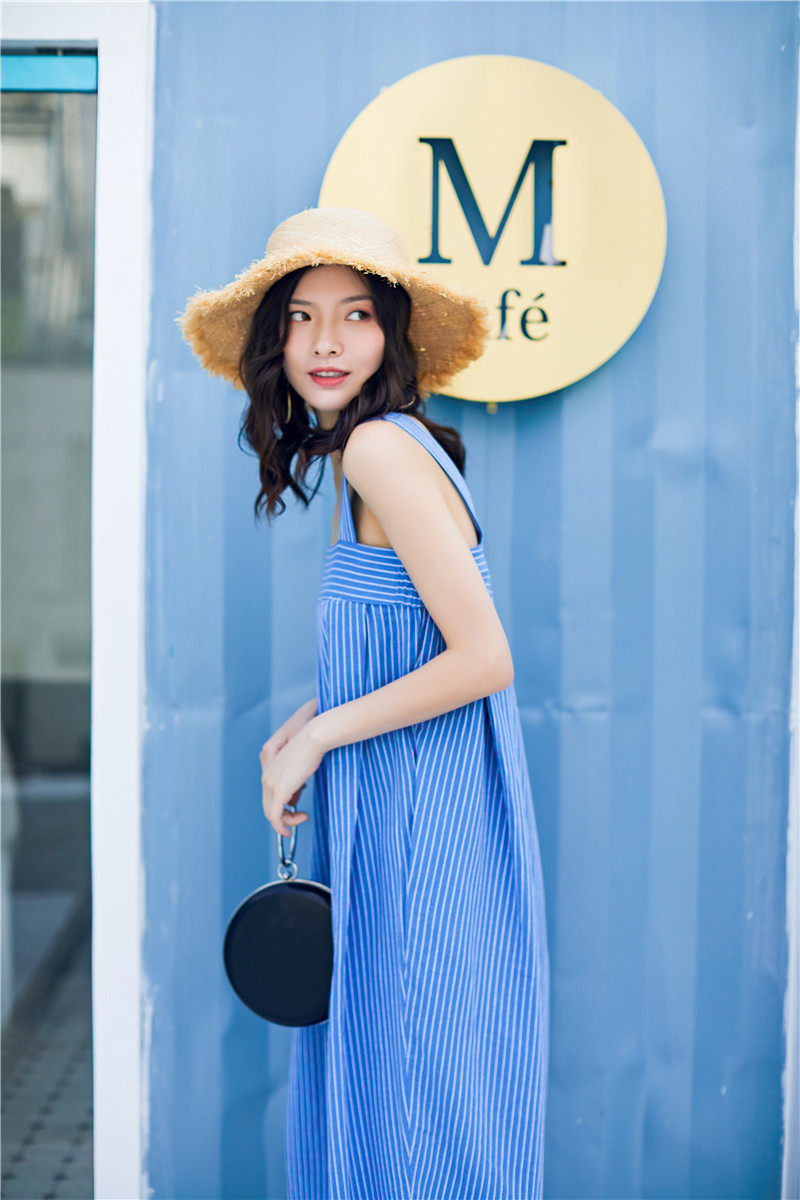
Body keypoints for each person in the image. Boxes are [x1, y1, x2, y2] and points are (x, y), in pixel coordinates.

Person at [177, 206, 550, 1200]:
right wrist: (311, 721)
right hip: (413, 816)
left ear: (390, 335)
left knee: (414, 1119)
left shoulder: (379, 449)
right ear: (276, 341)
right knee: (416, 1108)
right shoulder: (380, 452)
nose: (326, 342)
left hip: (422, 831)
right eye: (302, 317)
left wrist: (322, 737)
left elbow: (484, 657)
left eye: (355, 315)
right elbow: (414, 645)